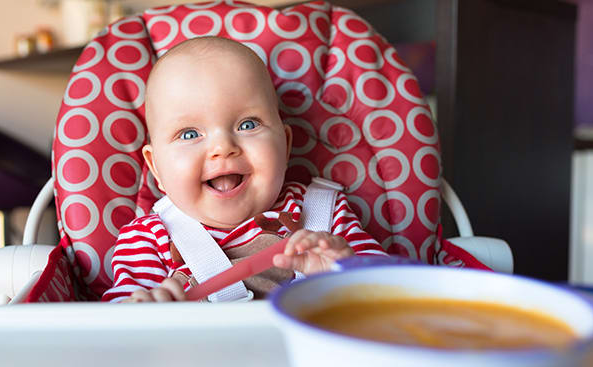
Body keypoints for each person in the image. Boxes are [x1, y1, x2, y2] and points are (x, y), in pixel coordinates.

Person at [104, 36, 386, 303]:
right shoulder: (147, 240)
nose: (223, 147)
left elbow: (391, 291)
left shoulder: (325, 216)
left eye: (248, 124)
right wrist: (145, 313)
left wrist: (344, 274)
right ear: (157, 168)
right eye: (189, 134)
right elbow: (112, 334)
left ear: (285, 146)